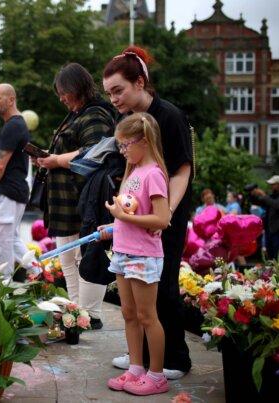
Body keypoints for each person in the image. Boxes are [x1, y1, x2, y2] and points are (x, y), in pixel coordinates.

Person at [103, 46, 193, 379]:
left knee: (163, 284)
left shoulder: (169, 115)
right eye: (109, 92)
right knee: (132, 291)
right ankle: (138, 356)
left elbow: (182, 169)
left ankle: (175, 359)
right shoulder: (124, 120)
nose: (113, 98)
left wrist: (165, 212)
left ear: (140, 82)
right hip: (134, 216)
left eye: (118, 90)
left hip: (164, 212)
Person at [36, 63, 116, 328]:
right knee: (67, 260)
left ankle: (90, 315)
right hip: (63, 201)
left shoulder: (95, 114)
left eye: (63, 92)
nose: (61, 98)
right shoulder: (76, 114)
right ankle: (75, 313)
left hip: (82, 199)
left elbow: (97, 151)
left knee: (86, 256)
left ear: (76, 87)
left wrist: (56, 160)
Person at [99, 113, 171, 396]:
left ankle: (156, 376)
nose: (123, 151)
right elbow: (133, 214)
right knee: (129, 314)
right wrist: (114, 223)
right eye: (121, 146)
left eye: (126, 145)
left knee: (146, 315)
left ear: (144, 140)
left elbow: (162, 219)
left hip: (143, 256)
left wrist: (123, 219)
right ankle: (136, 369)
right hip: (124, 252)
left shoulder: (153, 174)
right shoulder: (134, 172)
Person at [0, 83, 32, 279]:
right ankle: (38, 272)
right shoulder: (17, 125)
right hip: (16, 191)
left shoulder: (13, 126)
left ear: (11, 100)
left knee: (1, 242)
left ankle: (4, 288)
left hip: (8, 191)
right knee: (12, 240)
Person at [250, 175, 279, 260]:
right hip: (269, 230)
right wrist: (254, 195)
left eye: (273, 184)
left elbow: (277, 205)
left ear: (278, 185)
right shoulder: (272, 196)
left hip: (277, 231)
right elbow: (259, 202)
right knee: (270, 255)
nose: (271, 186)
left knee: (277, 254)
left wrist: (263, 194)